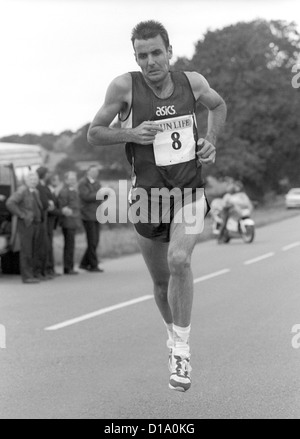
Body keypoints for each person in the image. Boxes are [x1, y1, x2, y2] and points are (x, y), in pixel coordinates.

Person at [87, 20, 227, 392]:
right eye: (142, 55)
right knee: (161, 281)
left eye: (156, 53)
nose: (150, 61)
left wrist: (211, 140)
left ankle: (182, 349)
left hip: (189, 193)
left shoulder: (192, 83)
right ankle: (171, 334)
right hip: (147, 199)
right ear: (136, 57)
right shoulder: (124, 88)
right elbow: (94, 132)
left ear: (169, 51)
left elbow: (219, 104)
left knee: (179, 260)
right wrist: (131, 133)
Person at [6, 171, 43, 284]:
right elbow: (10, 203)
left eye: (35, 179)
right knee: (26, 250)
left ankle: (32, 274)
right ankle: (27, 276)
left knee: (34, 250)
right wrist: (22, 215)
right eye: (31, 179)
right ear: (26, 181)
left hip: (35, 223)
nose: (34, 181)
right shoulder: (22, 190)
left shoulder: (35, 191)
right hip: (26, 224)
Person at [78, 165, 103, 273]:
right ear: (88, 172)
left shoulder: (97, 183)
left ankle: (84, 263)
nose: (95, 173)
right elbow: (86, 197)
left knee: (95, 240)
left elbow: (100, 197)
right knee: (92, 241)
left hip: (97, 214)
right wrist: (99, 194)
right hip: (87, 215)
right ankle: (93, 265)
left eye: (96, 171)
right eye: (93, 171)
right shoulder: (83, 183)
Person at [58, 171, 81, 275]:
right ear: (66, 180)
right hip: (68, 222)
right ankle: (67, 268)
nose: (73, 181)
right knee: (69, 245)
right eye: (70, 179)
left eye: (74, 178)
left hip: (74, 221)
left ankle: (70, 266)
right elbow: (63, 207)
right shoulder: (64, 192)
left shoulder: (75, 191)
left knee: (71, 245)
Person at [36, 166, 54, 280]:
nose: (50, 175)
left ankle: (45, 270)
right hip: (41, 219)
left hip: (46, 219)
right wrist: (49, 204)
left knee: (46, 246)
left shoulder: (44, 186)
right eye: (48, 173)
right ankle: (41, 271)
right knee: (41, 247)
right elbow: (44, 203)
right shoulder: (39, 187)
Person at [45, 173, 61, 276]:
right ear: (51, 181)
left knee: (50, 245)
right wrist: (61, 212)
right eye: (56, 179)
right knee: (47, 246)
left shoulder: (53, 191)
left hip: (51, 222)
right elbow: (51, 209)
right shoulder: (47, 191)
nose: (58, 181)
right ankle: (48, 268)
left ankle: (51, 268)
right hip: (47, 222)